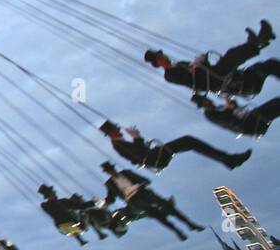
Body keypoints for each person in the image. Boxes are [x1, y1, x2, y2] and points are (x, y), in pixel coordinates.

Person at [143, 21, 273, 95]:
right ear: (158, 62)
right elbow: (189, 78)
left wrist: (202, 61)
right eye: (160, 56)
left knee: (230, 55)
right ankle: (256, 42)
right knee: (231, 56)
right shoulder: (169, 75)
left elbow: (199, 68)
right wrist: (196, 65)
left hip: (212, 74)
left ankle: (258, 42)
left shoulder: (180, 63)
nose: (164, 56)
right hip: (212, 81)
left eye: (162, 54)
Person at [101, 161, 205, 240]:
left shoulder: (126, 173)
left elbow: (144, 179)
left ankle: (190, 224)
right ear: (108, 173)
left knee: (168, 206)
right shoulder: (110, 184)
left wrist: (141, 184)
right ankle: (177, 231)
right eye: (109, 171)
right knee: (156, 215)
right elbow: (111, 197)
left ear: (114, 168)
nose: (112, 172)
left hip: (143, 192)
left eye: (112, 169)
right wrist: (105, 203)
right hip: (133, 200)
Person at [99, 119, 250, 170]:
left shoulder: (120, 143)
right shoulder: (118, 144)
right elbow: (139, 154)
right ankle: (228, 159)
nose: (120, 130)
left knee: (189, 143)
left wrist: (137, 138)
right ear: (112, 132)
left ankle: (227, 160)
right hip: (153, 157)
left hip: (153, 156)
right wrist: (136, 137)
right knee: (188, 141)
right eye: (117, 129)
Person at [38, 184, 121, 245]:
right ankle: (99, 233)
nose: (56, 194)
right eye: (53, 192)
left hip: (64, 227)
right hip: (74, 225)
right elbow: (80, 206)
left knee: (75, 219)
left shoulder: (45, 205)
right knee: (88, 213)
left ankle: (81, 239)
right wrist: (94, 203)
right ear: (51, 193)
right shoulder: (62, 202)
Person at [192, 93, 280, 138]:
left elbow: (235, 111)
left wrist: (232, 104)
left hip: (250, 119)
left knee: (276, 102)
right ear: (203, 103)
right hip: (249, 125)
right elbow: (227, 120)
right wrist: (230, 108)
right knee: (276, 103)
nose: (209, 100)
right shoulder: (210, 114)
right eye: (206, 99)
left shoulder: (219, 108)